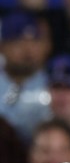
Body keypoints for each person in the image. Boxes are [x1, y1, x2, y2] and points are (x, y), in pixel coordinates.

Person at [0, 11, 51, 141]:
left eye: (34, 41)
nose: (27, 50)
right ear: (2, 46)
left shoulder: (57, 84)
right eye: (17, 41)